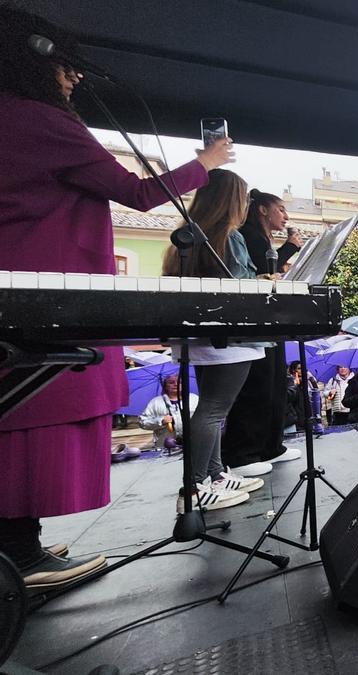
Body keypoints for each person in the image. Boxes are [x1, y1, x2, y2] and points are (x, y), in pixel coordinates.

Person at [0, 6, 232, 587]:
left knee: (16, 416)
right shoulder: (35, 120)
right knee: (31, 415)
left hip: (26, 291)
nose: (75, 76)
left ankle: (18, 549)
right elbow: (137, 191)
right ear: (34, 57)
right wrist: (203, 164)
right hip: (49, 299)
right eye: (66, 65)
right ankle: (16, 556)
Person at [163, 169, 267, 510]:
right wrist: (262, 279)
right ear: (233, 200)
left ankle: (215, 474)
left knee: (211, 406)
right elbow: (239, 285)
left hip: (200, 332)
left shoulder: (188, 234)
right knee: (213, 409)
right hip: (229, 335)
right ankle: (192, 490)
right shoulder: (227, 234)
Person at [219, 188, 298, 474]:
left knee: (276, 384)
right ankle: (243, 454)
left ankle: (271, 447)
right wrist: (286, 251)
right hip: (253, 322)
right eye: (280, 209)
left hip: (269, 317)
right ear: (262, 209)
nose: (285, 216)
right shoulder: (246, 235)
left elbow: (269, 267)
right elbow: (255, 274)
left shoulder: (261, 237)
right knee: (257, 387)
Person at [138, 374, 199, 451]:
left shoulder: (194, 399)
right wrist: (161, 421)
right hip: (165, 446)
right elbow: (142, 422)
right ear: (165, 386)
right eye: (171, 382)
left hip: (193, 444)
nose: (176, 384)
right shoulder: (155, 402)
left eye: (179, 382)